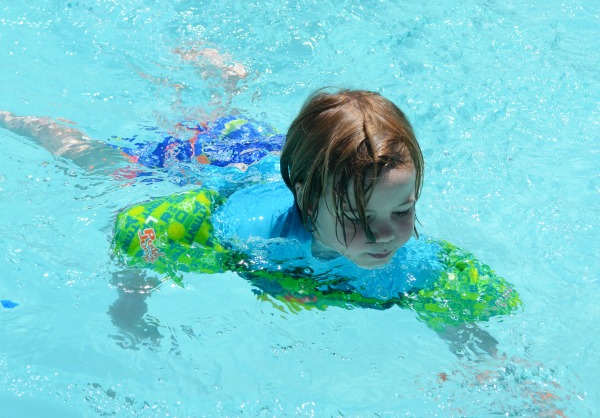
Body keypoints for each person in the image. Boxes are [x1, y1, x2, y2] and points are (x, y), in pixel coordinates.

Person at [0, 88, 520, 341]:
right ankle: (30, 123)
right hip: (226, 162)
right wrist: (130, 300)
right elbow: (138, 229)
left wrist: (485, 362)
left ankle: (221, 77)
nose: (388, 235)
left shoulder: (414, 262)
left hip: (291, 161)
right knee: (100, 164)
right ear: (308, 203)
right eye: (361, 219)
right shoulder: (245, 233)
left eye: (404, 210)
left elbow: (464, 318)